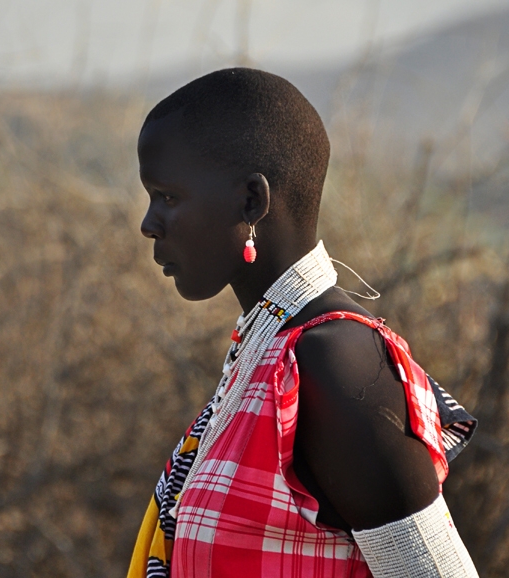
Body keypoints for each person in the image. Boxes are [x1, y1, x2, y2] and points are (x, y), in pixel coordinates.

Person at [127, 68, 479, 578]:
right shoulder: (265, 351)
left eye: (168, 197)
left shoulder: (336, 362)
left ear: (252, 201)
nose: (148, 224)